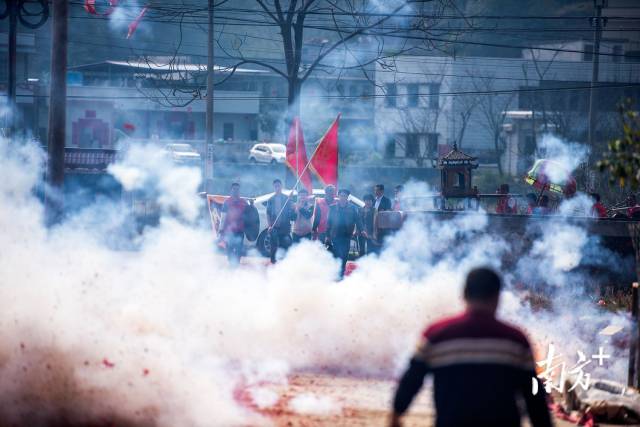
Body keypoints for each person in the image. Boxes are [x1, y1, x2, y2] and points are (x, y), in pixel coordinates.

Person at [390, 267, 552, 427]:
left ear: (464, 294)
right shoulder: (516, 340)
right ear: (497, 297)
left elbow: (412, 379)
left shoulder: (436, 334)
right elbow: (533, 396)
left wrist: (397, 414)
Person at [326, 189, 362, 278]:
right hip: (335, 234)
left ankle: (341, 275)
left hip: (347, 235)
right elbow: (329, 222)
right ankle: (335, 274)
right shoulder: (332, 207)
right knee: (336, 255)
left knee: (344, 255)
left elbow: (358, 220)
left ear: (347, 197)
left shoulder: (353, 208)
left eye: (345, 196)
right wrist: (327, 235)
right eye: (341, 195)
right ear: (338, 196)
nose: (343, 197)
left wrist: (360, 230)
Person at [266, 179, 294, 264]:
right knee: (273, 244)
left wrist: (291, 199)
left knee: (284, 243)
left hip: (284, 225)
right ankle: (273, 261)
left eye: (279, 186)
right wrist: (269, 225)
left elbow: (291, 209)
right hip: (274, 226)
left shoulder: (286, 198)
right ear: (273, 187)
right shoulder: (271, 200)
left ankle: (283, 261)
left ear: (281, 186)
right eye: (275, 186)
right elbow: (268, 213)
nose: (277, 187)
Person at [220, 183, 248, 266]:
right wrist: (221, 229)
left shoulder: (244, 202)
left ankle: (236, 265)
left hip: (240, 230)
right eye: (234, 189)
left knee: (239, 249)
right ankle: (231, 263)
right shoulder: (227, 202)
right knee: (229, 249)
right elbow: (223, 216)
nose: (236, 191)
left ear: (239, 191)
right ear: (231, 190)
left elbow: (249, 216)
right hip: (229, 231)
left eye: (237, 189)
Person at [371, 184, 392, 253]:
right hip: (374, 226)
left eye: (377, 190)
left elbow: (388, 212)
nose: (375, 192)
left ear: (382, 191)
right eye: (375, 190)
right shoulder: (374, 200)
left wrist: (382, 212)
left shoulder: (387, 200)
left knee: (382, 246)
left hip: (383, 228)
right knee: (374, 247)